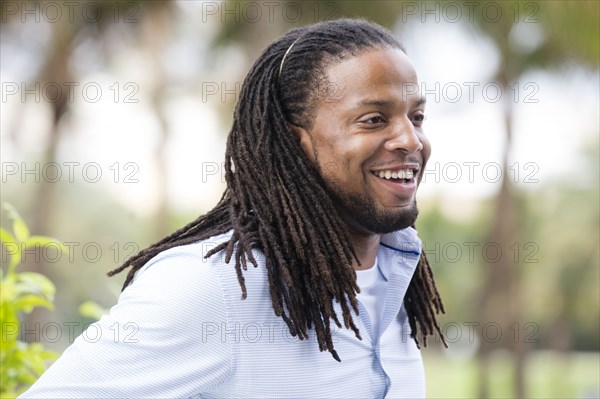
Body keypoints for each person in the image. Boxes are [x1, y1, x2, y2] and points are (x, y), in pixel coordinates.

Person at [21, 18, 445, 398]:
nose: (411, 140)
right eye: (373, 119)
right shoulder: (212, 287)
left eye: (417, 117)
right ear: (296, 143)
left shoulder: (396, 270)